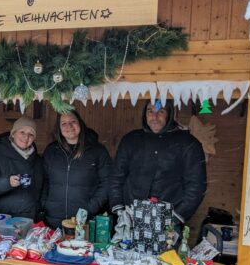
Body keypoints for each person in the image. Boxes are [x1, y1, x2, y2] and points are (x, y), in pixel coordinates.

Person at [109, 99, 207, 233]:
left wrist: (177, 216)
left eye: (160, 111)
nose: (154, 117)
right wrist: (119, 208)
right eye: (150, 111)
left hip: (168, 220)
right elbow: (116, 177)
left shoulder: (188, 144)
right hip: (130, 217)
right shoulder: (130, 140)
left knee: (165, 255)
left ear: (170, 114)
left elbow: (196, 186)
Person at [41, 110, 111, 229]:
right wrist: (45, 204)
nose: (69, 126)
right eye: (63, 123)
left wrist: (91, 207)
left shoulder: (97, 151)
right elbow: (44, 181)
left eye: (73, 121)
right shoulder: (51, 151)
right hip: (54, 219)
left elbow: (107, 182)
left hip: (85, 220)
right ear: (59, 127)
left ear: (80, 123)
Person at [0, 117, 43, 219]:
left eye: (31, 134)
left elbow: (41, 189)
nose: (26, 137)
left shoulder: (38, 160)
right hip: (1, 219)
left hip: (29, 219)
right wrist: (7, 182)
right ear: (13, 134)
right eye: (22, 132)